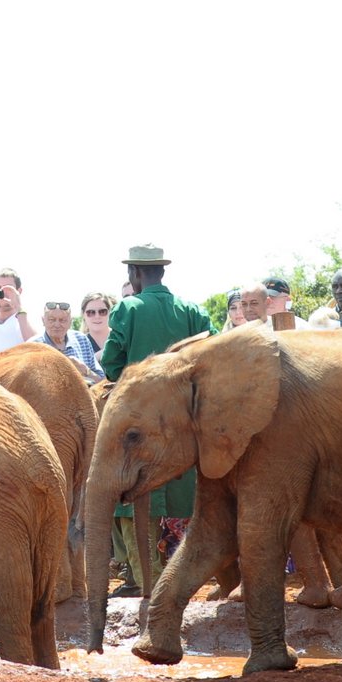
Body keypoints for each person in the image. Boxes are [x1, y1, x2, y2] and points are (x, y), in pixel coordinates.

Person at [101, 244, 212, 584]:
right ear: (161, 272)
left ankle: (146, 581)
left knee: (133, 492)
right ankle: (186, 580)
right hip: (184, 420)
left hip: (139, 419)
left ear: (134, 274)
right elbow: (212, 351)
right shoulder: (191, 310)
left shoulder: (128, 308)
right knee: (187, 495)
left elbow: (110, 361)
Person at [36, 301, 103, 382]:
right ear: (43, 320)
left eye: (62, 320)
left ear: (70, 322)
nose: (57, 324)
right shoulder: (34, 347)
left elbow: (102, 381)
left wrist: (85, 370)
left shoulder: (82, 340)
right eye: (52, 320)